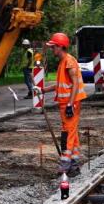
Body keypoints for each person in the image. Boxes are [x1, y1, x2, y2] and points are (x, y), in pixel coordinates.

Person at [37, 32, 87, 176]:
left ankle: (65, 166)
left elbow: (76, 83)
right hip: (66, 104)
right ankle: (74, 165)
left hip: (71, 104)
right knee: (72, 134)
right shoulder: (63, 62)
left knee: (68, 134)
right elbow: (61, 84)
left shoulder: (69, 61)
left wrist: (71, 104)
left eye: (53, 47)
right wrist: (44, 90)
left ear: (60, 47)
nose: (52, 50)